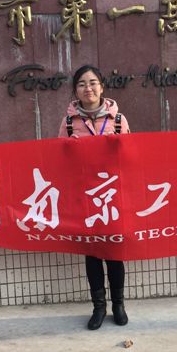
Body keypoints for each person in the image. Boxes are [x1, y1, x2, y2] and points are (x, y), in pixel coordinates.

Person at [58, 64, 131, 330]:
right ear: (75, 90)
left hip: (112, 195)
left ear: (102, 87)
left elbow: (132, 158)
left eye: (92, 83)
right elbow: (57, 159)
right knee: (92, 252)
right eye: (81, 84)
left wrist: (119, 147)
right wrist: (69, 150)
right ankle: (98, 307)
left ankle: (119, 305)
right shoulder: (69, 122)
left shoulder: (118, 120)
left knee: (114, 251)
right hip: (84, 196)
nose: (87, 88)